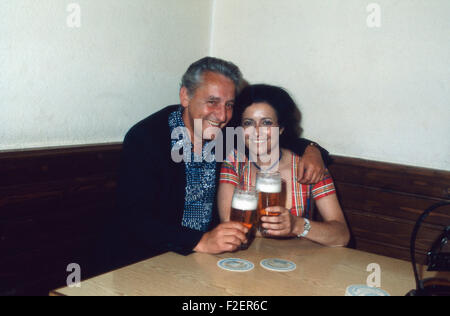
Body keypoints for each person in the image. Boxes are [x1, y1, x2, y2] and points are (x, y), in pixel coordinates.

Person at [107, 57, 330, 269]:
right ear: (185, 96)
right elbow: (134, 218)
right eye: (212, 101)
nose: (222, 115)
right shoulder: (147, 138)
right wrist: (200, 241)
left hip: (204, 262)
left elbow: (274, 136)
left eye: (229, 105)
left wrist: (312, 149)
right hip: (144, 259)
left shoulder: (224, 134)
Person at [218, 84, 350, 247]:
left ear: (281, 128)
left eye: (266, 122)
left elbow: (342, 235)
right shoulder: (234, 163)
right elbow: (229, 225)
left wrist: (296, 225)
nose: (257, 131)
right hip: (247, 261)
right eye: (248, 123)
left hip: (298, 263)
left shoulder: (309, 166)